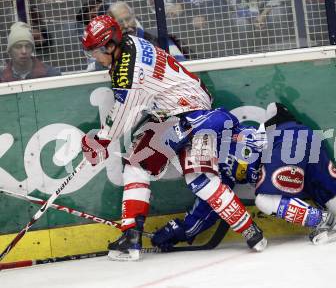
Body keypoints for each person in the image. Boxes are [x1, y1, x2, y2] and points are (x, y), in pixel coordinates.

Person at [80, 15, 266, 261]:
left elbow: (125, 112)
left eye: (95, 52)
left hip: (179, 115)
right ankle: (252, 233)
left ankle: (130, 240)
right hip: (199, 110)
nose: (94, 57)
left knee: (136, 165)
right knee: (200, 177)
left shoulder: (127, 70)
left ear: (111, 45)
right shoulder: (132, 42)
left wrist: (100, 140)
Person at [151, 102, 336, 250]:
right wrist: (174, 233)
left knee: (265, 201)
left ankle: (326, 224)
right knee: (335, 201)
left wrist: (176, 136)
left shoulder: (205, 140)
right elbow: (208, 212)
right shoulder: (213, 158)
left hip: (284, 140)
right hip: (300, 138)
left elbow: (219, 119)